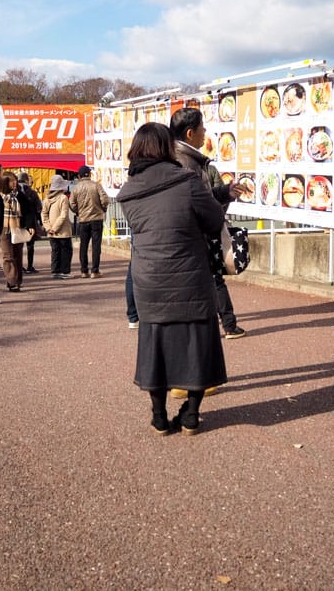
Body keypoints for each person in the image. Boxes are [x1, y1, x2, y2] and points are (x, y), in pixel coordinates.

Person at [116, 123, 228, 435]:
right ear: (166, 147)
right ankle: (191, 414)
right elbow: (214, 219)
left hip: (149, 277)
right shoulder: (187, 182)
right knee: (198, 341)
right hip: (190, 274)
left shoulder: (129, 192)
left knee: (156, 343)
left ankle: (158, 416)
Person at [170, 107, 247, 340]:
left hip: (186, 241)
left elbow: (199, 198)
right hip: (193, 242)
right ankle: (227, 325)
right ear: (191, 133)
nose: (206, 132)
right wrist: (220, 204)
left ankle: (226, 324)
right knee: (206, 291)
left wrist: (223, 192)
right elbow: (198, 204)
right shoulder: (187, 163)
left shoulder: (182, 159)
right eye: (203, 128)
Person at [69, 165, 110, 278]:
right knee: (96, 246)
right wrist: (102, 209)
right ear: (90, 174)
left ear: (79, 176)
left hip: (83, 220)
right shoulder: (96, 185)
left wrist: (78, 211)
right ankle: (95, 270)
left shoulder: (76, 188)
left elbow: (71, 204)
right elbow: (105, 199)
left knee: (84, 246)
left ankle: (84, 270)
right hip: (97, 219)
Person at [0, 171, 30, 291]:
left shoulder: (20, 196)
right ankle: (12, 282)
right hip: (4, 229)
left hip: (17, 227)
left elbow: (28, 210)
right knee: (8, 255)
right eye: (11, 181)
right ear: (5, 183)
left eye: (15, 180)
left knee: (18, 255)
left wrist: (30, 225)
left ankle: (17, 280)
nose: (14, 183)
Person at [42, 174, 73, 279]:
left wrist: (48, 227)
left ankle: (55, 270)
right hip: (63, 230)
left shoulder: (47, 199)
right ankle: (65, 272)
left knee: (55, 251)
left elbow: (44, 214)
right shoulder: (63, 198)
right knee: (66, 251)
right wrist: (55, 228)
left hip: (51, 231)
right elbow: (64, 215)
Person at [17, 172, 43, 273]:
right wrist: (40, 222)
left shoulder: (15, 192)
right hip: (30, 221)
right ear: (27, 180)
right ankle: (30, 266)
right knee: (30, 245)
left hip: (18, 221)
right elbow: (38, 208)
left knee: (18, 245)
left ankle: (19, 265)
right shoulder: (32, 192)